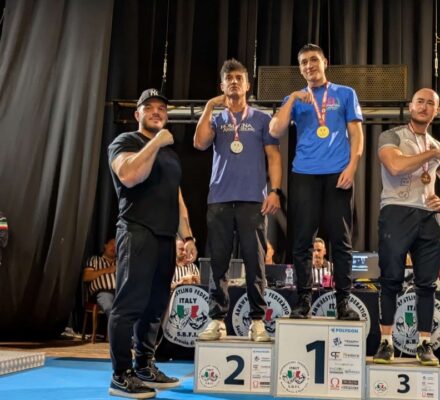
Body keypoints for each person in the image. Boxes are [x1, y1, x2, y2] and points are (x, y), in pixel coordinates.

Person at [107, 88, 197, 399]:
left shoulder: (170, 155)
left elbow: (176, 197)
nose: (157, 112)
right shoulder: (125, 142)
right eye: (149, 108)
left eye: (161, 108)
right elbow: (130, 175)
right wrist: (156, 142)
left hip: (165, 238)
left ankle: (144, 366)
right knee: (129, 305)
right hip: (137, 232)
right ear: (138, 114)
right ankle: (120, 375)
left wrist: (187, 236)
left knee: (156, 307)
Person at [269, 43, 364, 320]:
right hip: (304, 174)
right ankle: (303, 300)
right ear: (300, 69)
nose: (309, 65)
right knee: (301, 242)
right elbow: (275, 130)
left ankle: (343, 302)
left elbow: (356, 135)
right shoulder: (295, 98)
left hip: (337, 174)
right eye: (303, 63)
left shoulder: (345, 93)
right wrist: (292, 99)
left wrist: (352, 167)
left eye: (313, 60)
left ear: (325, 62)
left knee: (341, 241)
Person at [194, 59, 282, 342]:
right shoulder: (216, 119)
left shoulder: (262, 119)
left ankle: (257, 321)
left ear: (247, 85)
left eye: (238, 78)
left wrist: (274, 191)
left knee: (255, 264)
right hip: (219, 200)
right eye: (228, 78)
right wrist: (210, 106)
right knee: (218, 263)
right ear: (222, 86)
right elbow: (199, 143)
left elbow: (273, 157)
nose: (233, 82)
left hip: (252, 201)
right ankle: (217, 319)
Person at [373, 88, 440, 366]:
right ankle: (386, 342)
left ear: (436, 110)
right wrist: (432, 154)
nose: (424, 106)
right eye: (419, 101)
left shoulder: (438, 146)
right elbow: (396, 166)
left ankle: (425, 344)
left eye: (430, 103)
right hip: (396, 211)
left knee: (427, 284)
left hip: (428, 217)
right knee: (391, 279)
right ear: (410, 107)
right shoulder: (392, 136)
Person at [82, 238, 117, 317]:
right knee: (110, 306)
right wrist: (107, 270)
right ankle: (119, 324)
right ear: (105, 246)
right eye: (112, 244)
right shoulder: (94, 259)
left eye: (117, 246)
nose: (114, 247)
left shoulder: (121, 262)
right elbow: (86, 277)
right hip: (102, 293)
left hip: (119, 294)